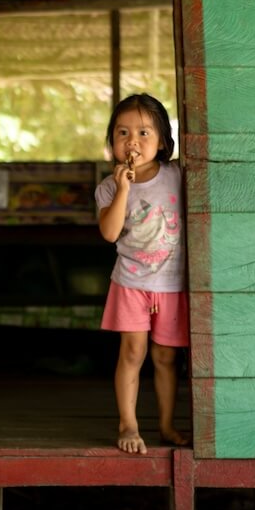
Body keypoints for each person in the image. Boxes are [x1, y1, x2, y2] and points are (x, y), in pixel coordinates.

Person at [95, 93, 188, 455]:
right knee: (133, 352)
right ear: (112, 142)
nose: (132, 141)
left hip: (171, 283)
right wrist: (123, 188)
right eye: (122, 133)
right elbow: (109, 232)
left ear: (164, 141)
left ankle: (166, 425)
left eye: (144, 132)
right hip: (132, 283)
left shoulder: (177, 175)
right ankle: (128, 424)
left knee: (166, 357)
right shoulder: (108, 187)